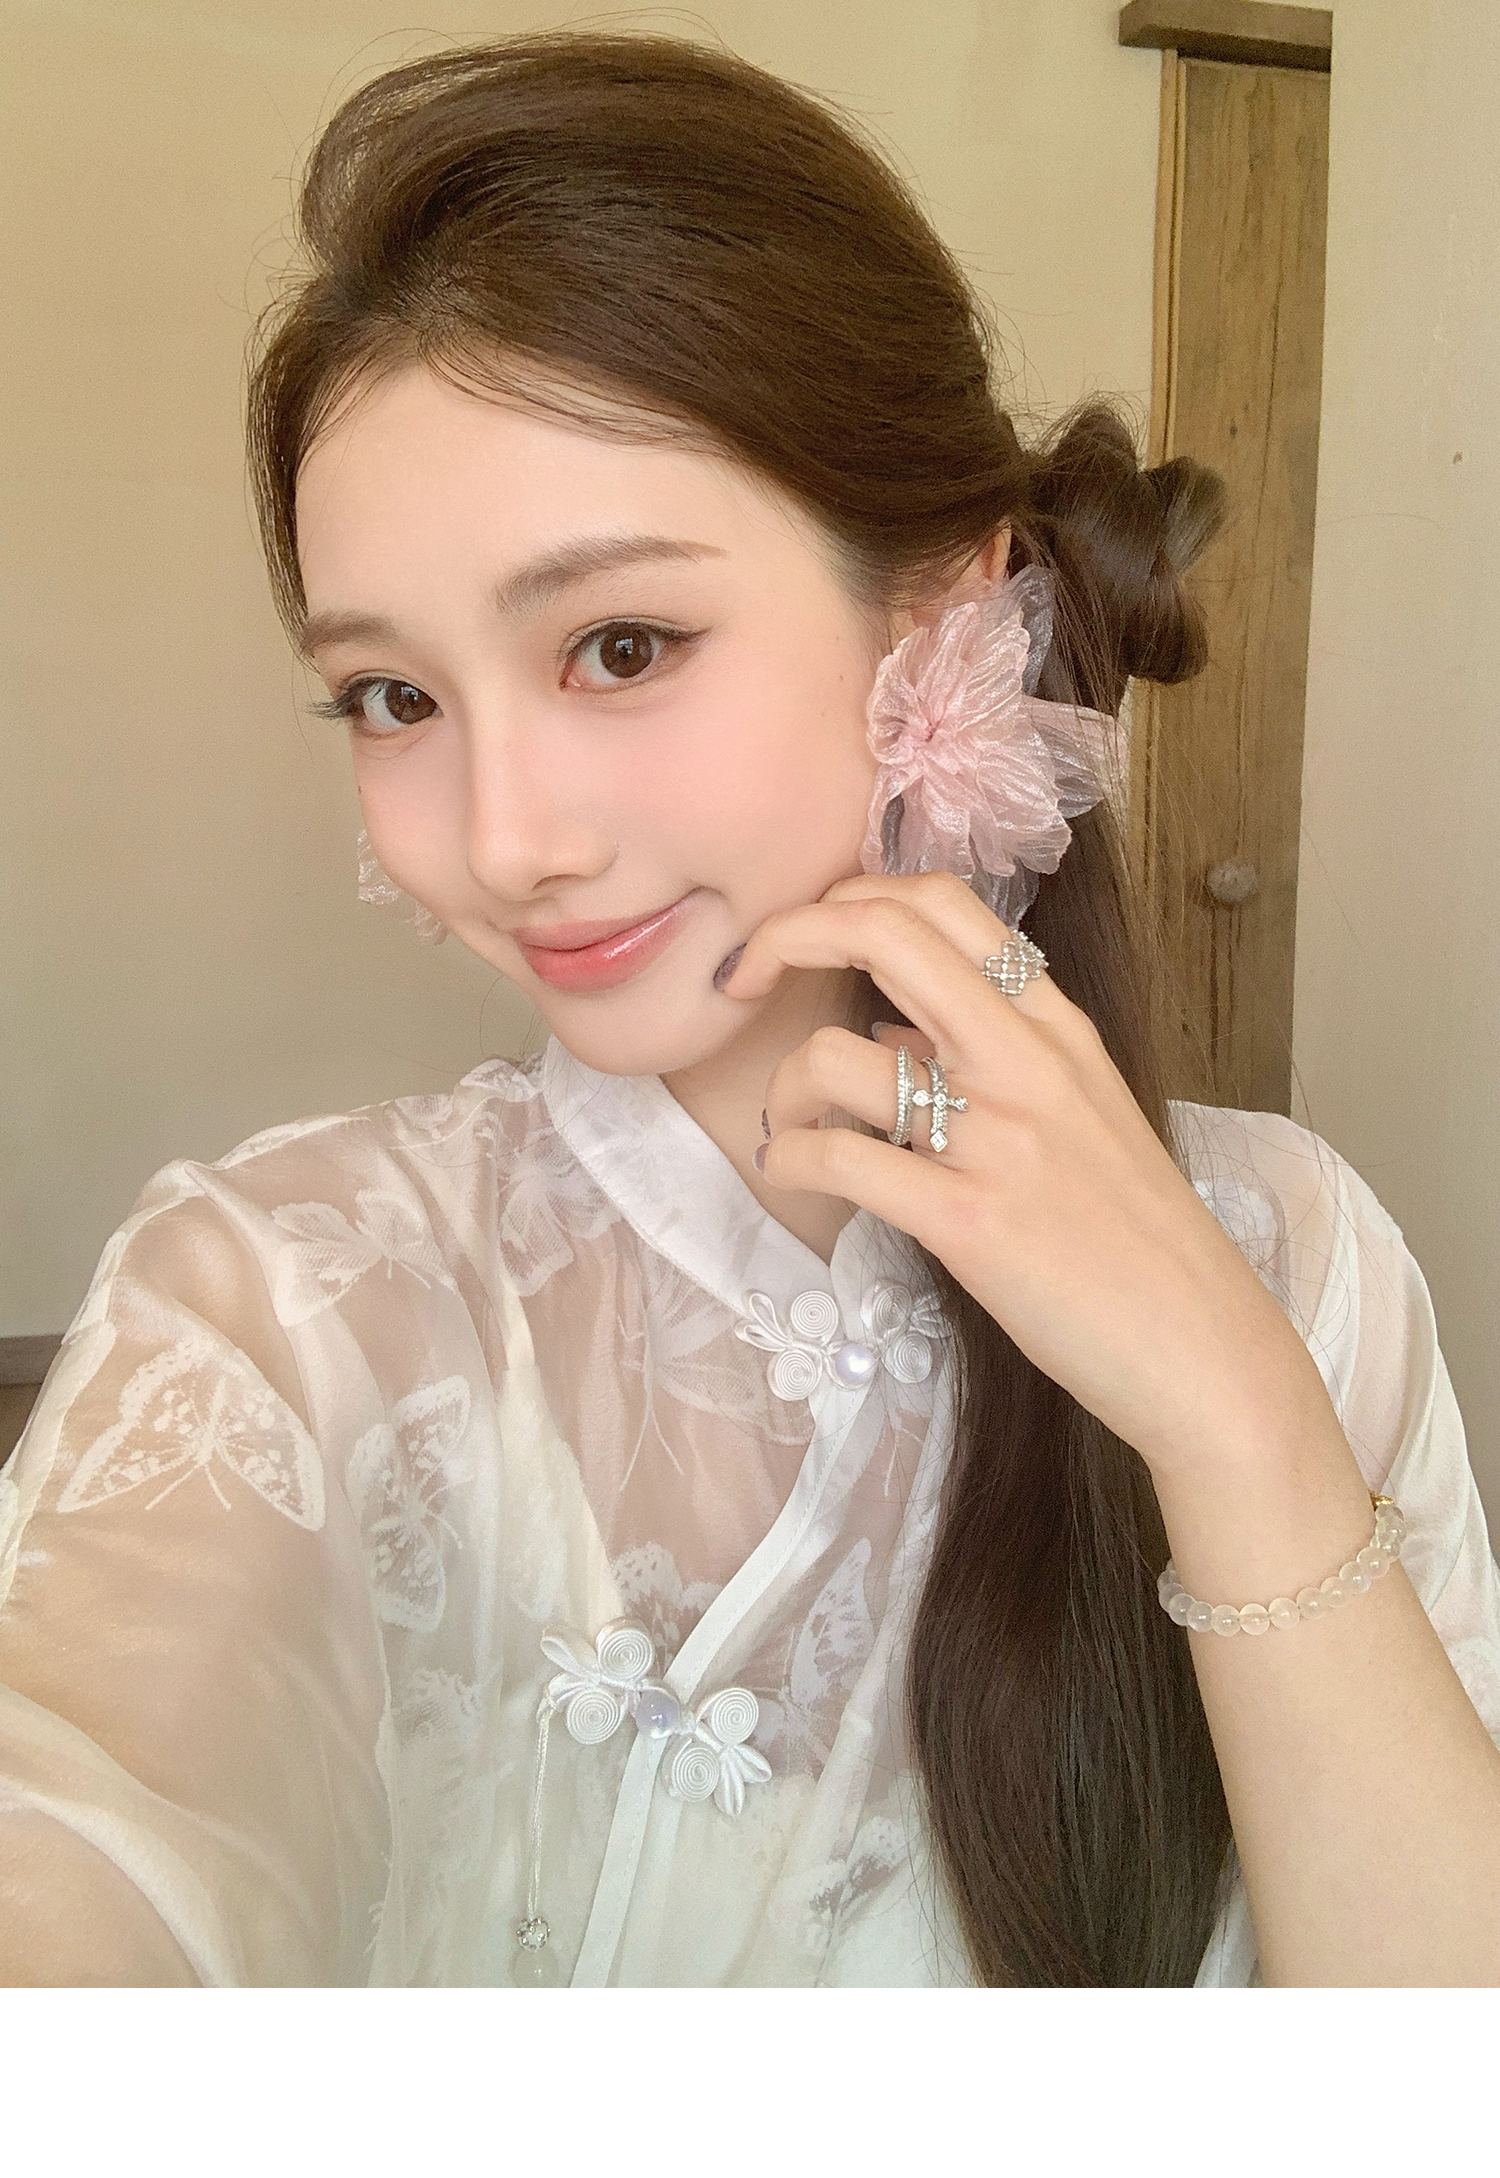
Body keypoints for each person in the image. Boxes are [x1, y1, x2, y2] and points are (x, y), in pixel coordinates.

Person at [3, 32, 1500, 1990]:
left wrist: (1237, 1421)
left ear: (945, 617)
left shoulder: (1300, 1263)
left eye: (620, 645)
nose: (504, 838)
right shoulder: (277, 1301)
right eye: (394, 696)